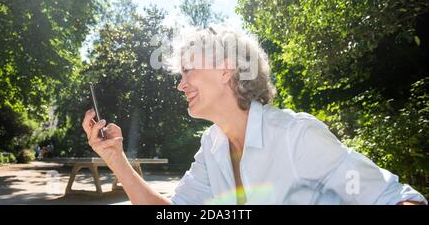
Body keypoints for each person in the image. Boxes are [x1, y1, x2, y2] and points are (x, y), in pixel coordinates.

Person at [82, 26, 427, 205]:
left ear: (226, 69)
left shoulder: (296, 136)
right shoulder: (212, 145)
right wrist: (115, 158)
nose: (180, 84)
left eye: (188, 71)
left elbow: (396, 198)